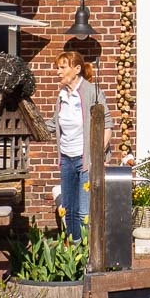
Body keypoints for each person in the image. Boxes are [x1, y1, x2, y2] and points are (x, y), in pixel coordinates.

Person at [48, 50, 111, 241]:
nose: (58, 72)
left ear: (76, 69)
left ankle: (88, 249)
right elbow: (53, 124)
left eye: (62, 67)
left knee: (84, 211)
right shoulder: (62, 95)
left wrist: (97, 155)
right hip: (67, 159)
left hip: (86, 160)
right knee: (69, 210)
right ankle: (74, 248)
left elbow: (107, 124)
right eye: (57, 67)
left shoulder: (92, 92)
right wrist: (32, 127)